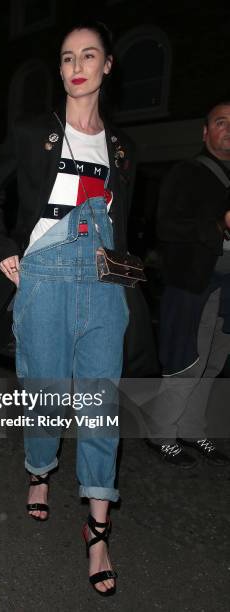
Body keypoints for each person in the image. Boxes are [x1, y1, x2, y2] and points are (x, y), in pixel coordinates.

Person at [0, 20, 140, 596]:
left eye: (89, 55)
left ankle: (98, 529)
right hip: (43, 275)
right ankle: (39, 470)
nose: (77, 65)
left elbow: (120, 226)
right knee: (45, 393)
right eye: (68, 56)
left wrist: (126, 282)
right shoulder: (32, 133)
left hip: (101, 283)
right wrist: (3, 253)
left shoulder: (120, 148)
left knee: (99, 404)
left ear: (107, 66)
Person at [146, 101, 230, 467]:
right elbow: (165, 227)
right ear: (205, 131)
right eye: (221, 122)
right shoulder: (187, 172)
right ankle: (161, 432)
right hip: (195, 285)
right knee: (186, 364)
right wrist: (218, 225)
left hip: (228, 289)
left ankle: (193, 428)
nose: (228, 130)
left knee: (213, 364)